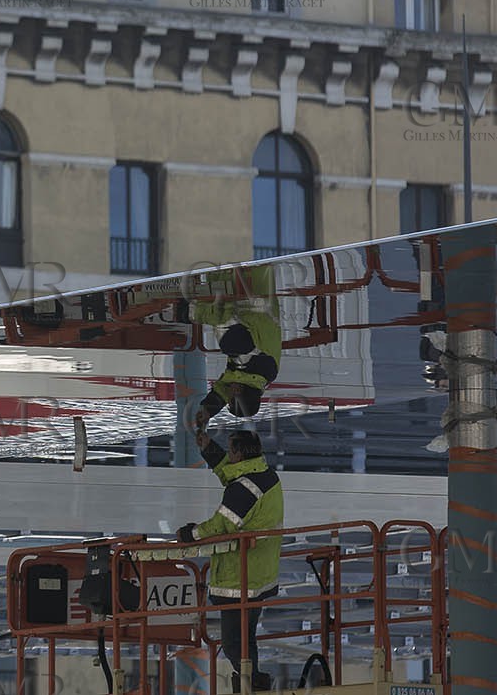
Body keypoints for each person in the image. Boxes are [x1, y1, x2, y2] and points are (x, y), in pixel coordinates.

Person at [178, 429, 283, 693]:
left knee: (234, 642)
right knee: (247, 639)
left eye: (229, 450)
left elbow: (220, 525)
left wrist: (189, 534)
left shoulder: (244, 488)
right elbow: (233, 476)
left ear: (237, 453)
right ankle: (252, 681)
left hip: (239, 577)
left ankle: (251, 685)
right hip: (259, 574)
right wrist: (209, 449)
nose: (229, 454)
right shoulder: (265, 475)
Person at [180, 270, 282, 430]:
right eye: (231, 397)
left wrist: (207, 411)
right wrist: (190, 312)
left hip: (256, 292)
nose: (228, 395)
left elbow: (224, 388)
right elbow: (222, 318)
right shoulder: (248, 358)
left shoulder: (258, 377)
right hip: (242, 285)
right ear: (238, 391)